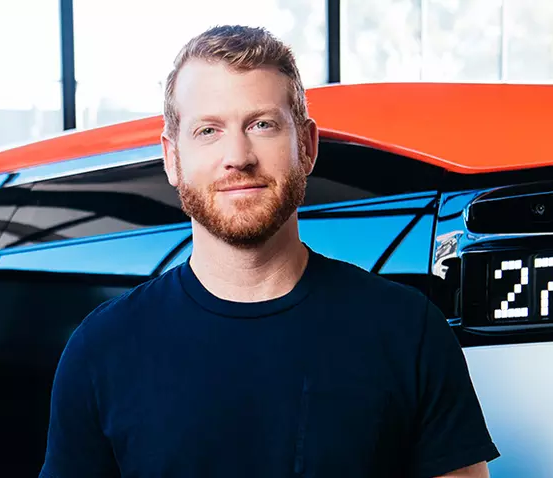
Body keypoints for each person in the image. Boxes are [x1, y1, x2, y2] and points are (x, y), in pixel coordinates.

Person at [39, 25, 499, 478]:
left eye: (262, 125)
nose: (238, 156)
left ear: (308, 146)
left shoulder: (408, 330)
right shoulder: (101, 350)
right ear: (172, 159)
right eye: (208, 130)